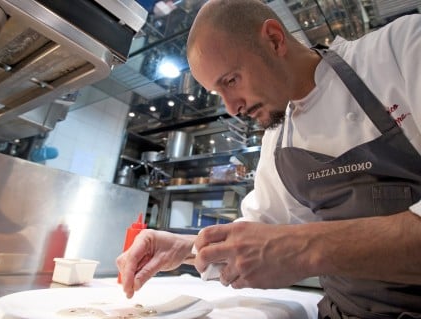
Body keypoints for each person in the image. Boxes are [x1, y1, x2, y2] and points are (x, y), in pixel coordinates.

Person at [116, 0, 421, 317]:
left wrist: (304, 249)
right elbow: (253, 242)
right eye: (218, 94)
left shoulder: (398, 50)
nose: (232, 107)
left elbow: (285, 248)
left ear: (275, 39)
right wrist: (181, 248)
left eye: (231, 80)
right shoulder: (277, 142)